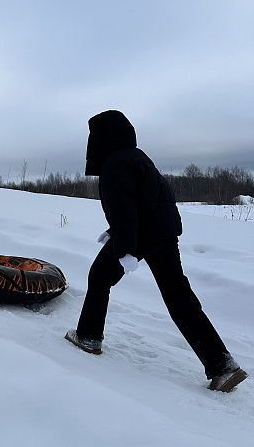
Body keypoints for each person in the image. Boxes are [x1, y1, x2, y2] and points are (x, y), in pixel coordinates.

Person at [65, 110, 248, 392]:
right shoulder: (139, 158)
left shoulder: (115, 164)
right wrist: (116, 233)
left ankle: (88, 338)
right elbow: (150, 200)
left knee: (100, 277)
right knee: (179, 297)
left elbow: (125, 208)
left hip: (140, 235)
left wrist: (125, 248)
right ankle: (223, 366)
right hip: (164, 234)